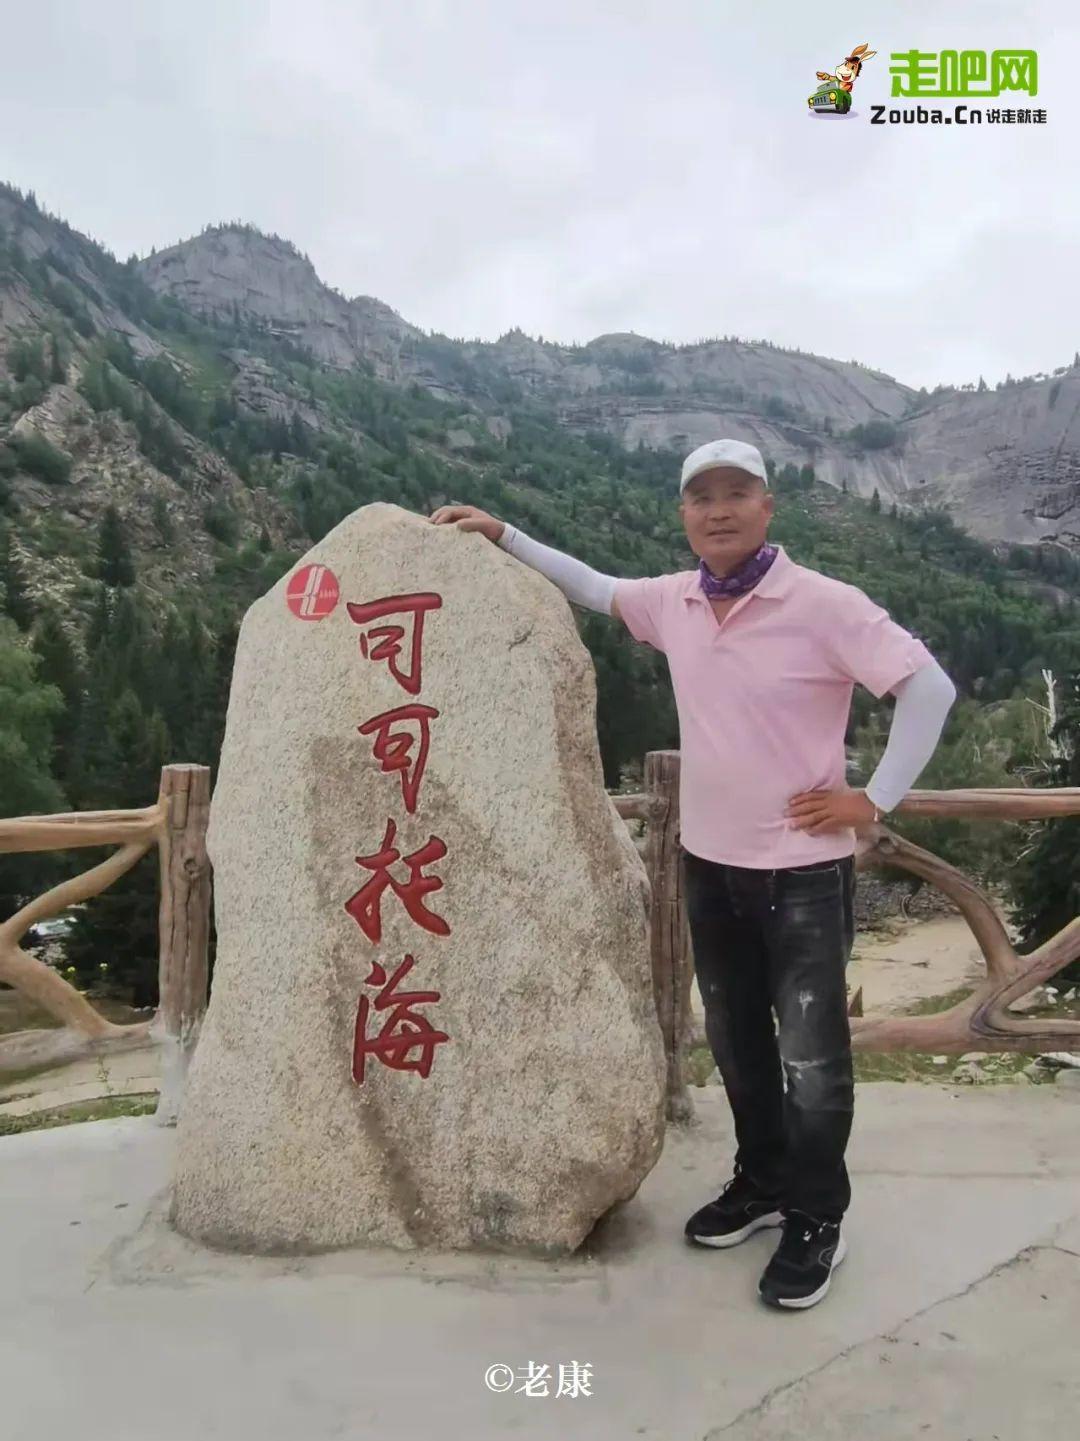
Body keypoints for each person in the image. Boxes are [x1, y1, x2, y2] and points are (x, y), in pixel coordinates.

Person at [427, 437, 956, 1311]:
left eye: (736, 493)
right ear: (684, 513)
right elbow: (594, 586)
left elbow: (928, 688)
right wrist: (503, 533)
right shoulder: (675, 601)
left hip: (803, 874)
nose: (718, 510)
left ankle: (817, 1215)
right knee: (739, 1042)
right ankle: (763, 1180)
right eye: (701, 497)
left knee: (813, 1060)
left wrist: (874, 799)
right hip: (712, 865)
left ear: (766, 506)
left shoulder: (825, 603)